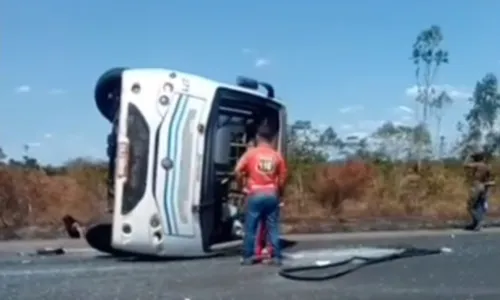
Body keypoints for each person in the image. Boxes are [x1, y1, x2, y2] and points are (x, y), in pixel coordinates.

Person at [234, 124, 287, 266]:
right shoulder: (277, 156)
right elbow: (282, 178)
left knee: (251, 226)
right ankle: (276, 256)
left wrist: (242, 187)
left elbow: (237, 170)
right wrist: (279, 193)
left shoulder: (251, 154)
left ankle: (248, 256)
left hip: (255, 193)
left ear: (258, 137)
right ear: (272, 139)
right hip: (271, 193)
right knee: (273, 226)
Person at [463, 151, 495, 231]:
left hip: (476, 186)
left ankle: (478, 222)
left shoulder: (477, 164)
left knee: (470, 206)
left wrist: (469, 156)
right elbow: (489, 179)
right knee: (478, 206)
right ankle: (475, 224)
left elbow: (465, 165)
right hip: (483, 186)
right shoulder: (486, 166)